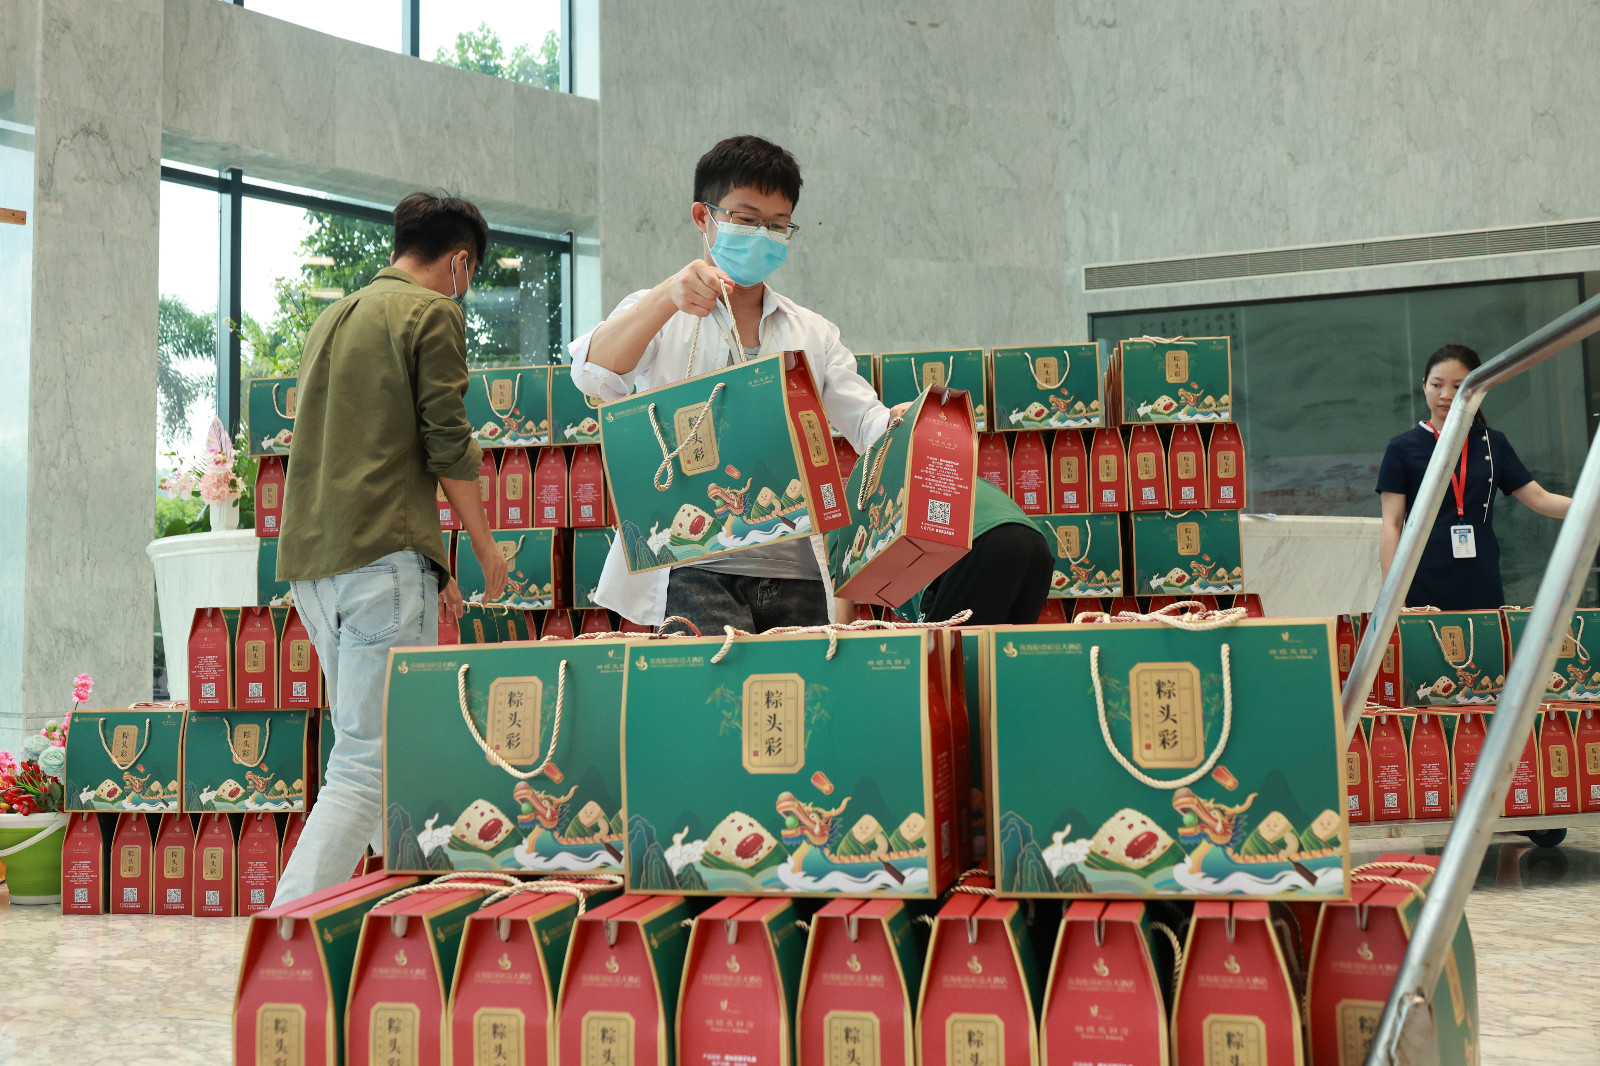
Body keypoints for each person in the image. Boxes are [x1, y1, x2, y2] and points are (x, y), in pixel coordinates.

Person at [568, 135, 906, 634]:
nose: (763, 236)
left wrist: (902, 423)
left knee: (795, 684)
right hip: (694, 565)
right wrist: (667, 296)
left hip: (798, 573)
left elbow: (867, 423)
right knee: (712, 683)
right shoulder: (661, 311)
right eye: (746, 220)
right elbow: (593, 373)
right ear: (703, 217)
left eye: (778, 225)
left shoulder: (812, 332)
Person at [274, 191, 510, 903]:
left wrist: (428, 563)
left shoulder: (333, 317)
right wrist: (485, 546)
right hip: (382, 563)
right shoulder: (432, 311)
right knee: (369, 764)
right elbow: (448, 442)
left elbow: (355, 450)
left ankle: (402, 915)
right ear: (459, 262)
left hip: (314, 566)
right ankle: (282, 932)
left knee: (382, 760)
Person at [1377, 343, 1571, 609]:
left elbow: (1540, 498)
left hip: (1480, 572)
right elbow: (1392, 523)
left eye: (1458, 386)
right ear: (1424, 385)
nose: (1446, 395)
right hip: (1421, 573)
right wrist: (1390, 596)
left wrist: (1591, 509)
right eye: (1436, 385)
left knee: (1483, 633)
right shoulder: (1402, 447)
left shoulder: (1492, 442)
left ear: (1479, 389)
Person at [915, 476, 1052, 624]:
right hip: (1037, 544)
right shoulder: (951, 475)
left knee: (943, 638)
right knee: (1010, 638)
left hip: (983, 540)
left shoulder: (909, 485)